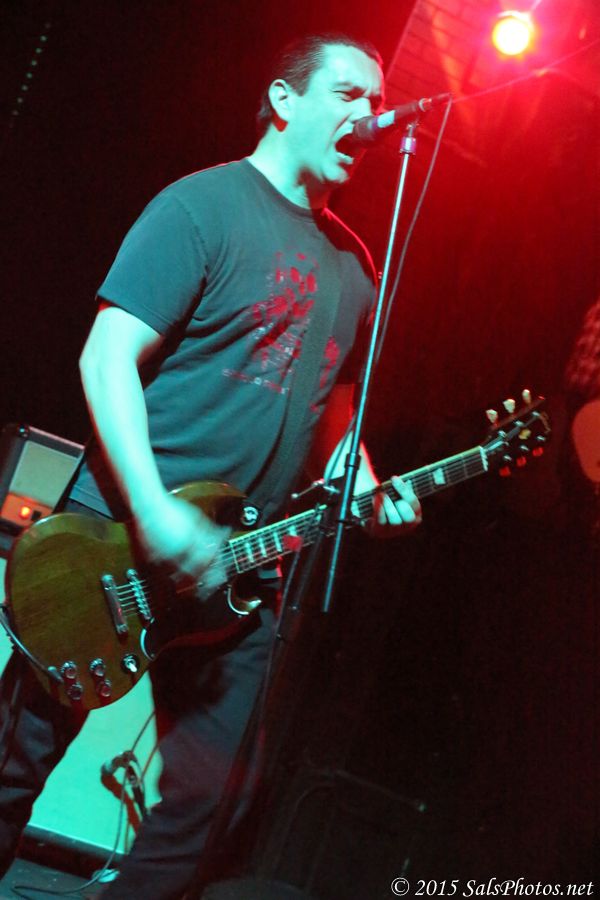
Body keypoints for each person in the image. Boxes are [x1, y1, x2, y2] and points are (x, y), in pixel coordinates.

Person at [0, 33, 422, 898]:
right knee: (14, 764)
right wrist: (154, 511)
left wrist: (371, 484)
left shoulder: (356, 268)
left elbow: (334, 413)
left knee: (212, 806)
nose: (370, 116)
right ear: (283, 101)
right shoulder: (201, 206)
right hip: (117, 538)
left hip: (238, 564)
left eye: (377, 101)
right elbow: (105, 357)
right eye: (347, 94)